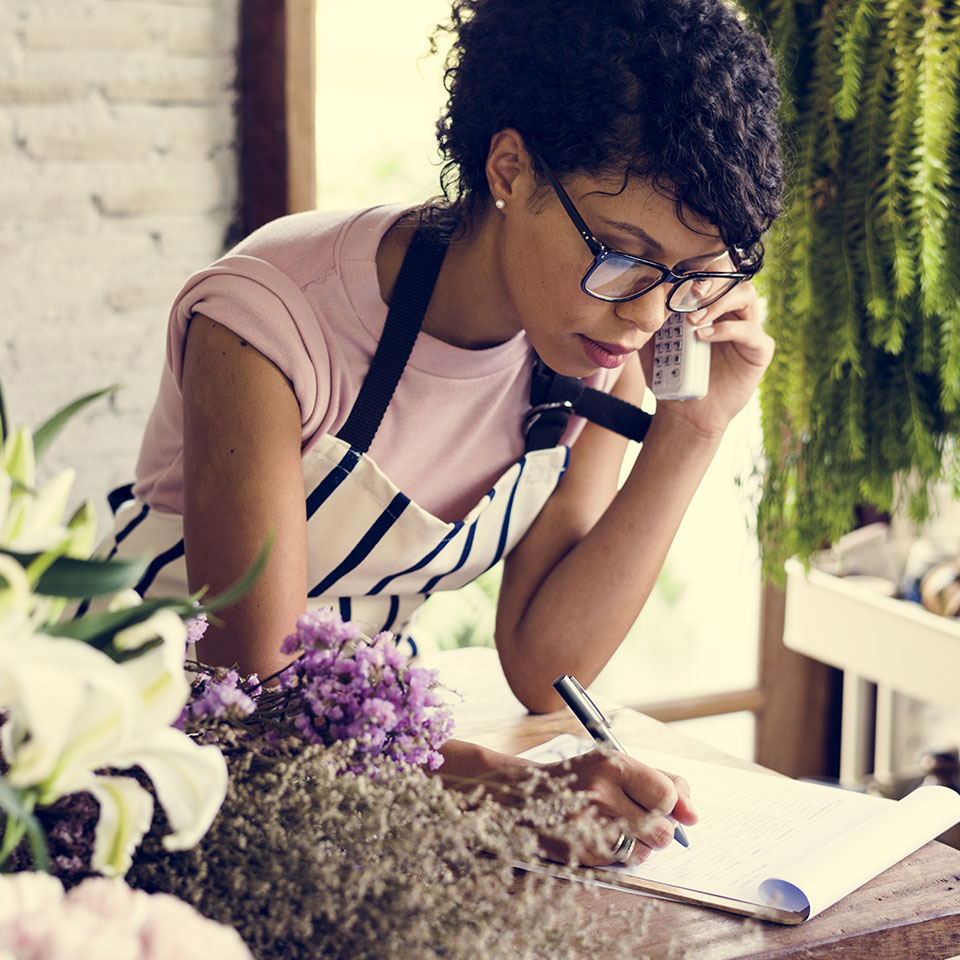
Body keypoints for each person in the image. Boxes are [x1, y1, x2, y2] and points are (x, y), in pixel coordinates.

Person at [108, 0, 782, 866]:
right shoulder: (268, 323)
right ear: (511, 169)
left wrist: (693, 426)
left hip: (369, 786)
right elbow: (256, 697)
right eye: (620, 255)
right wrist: (509, 789)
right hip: (150, 755)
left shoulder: (593, 342)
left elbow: (547, 664)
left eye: (690, 277)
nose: (650, 315)